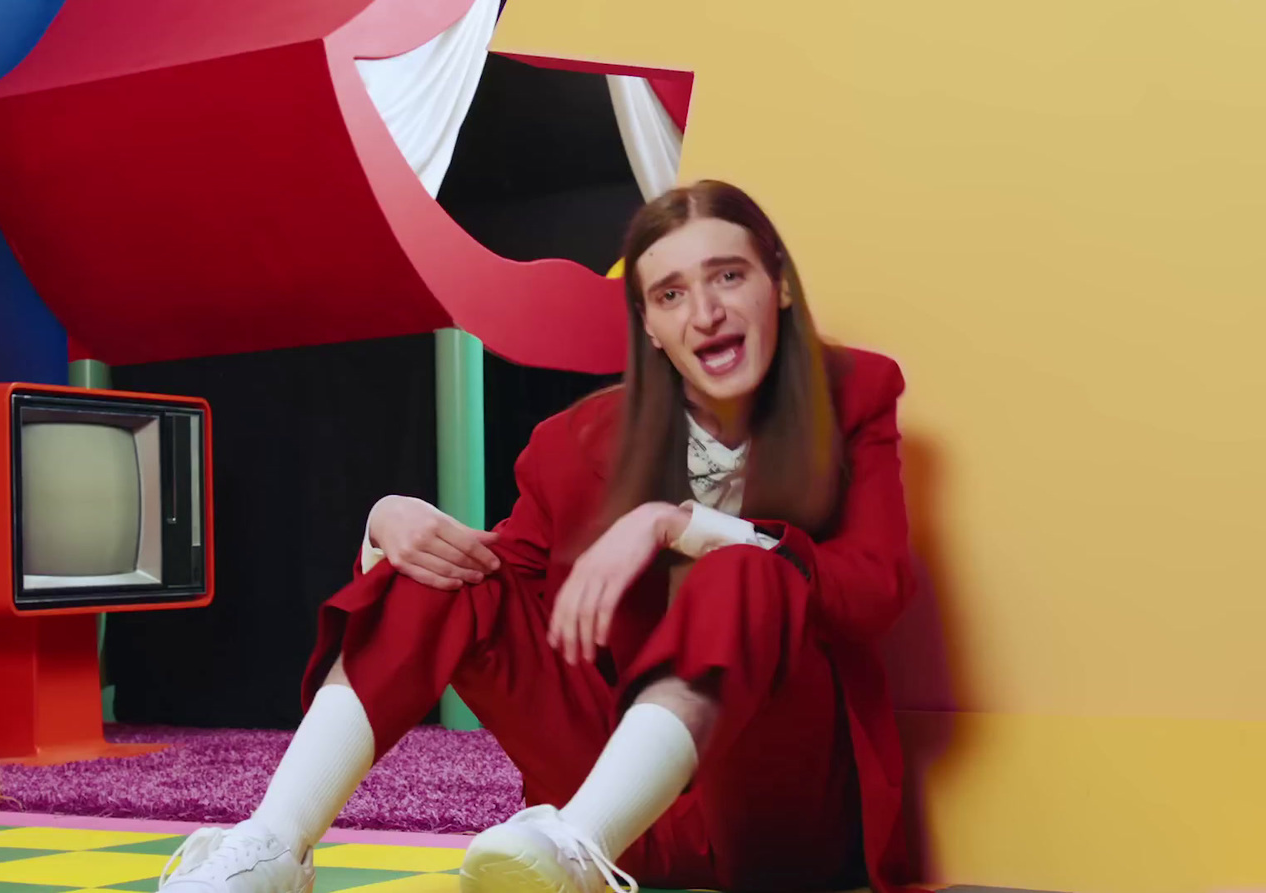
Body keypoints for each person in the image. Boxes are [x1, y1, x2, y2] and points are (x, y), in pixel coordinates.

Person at [158, 180, 916, 893]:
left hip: (778, 822)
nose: (706, 313)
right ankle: (270, 845)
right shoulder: (573, 441)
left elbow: (873, 591)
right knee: (442, 571)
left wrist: (683, 525)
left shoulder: (854, 395)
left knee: (744, 570)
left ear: (777, 283)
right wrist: (387, 522)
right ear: (649, 327)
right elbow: (493, 586)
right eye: (672, 294)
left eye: (728, 277)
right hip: (633, 825)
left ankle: (578, 845)